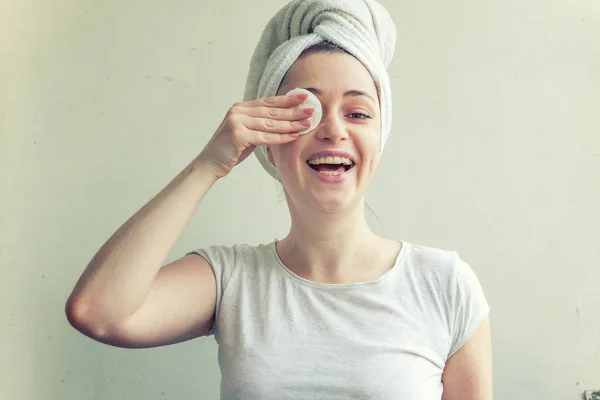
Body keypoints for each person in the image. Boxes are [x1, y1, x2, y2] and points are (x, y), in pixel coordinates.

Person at [65, 1, 492, 399]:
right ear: (268, 141)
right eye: (306, 111)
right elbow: (96, 312)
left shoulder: (445, 285)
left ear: (380, 141)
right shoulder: (232, 279)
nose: (333, 130)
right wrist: (208, 164)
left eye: (358, 113)